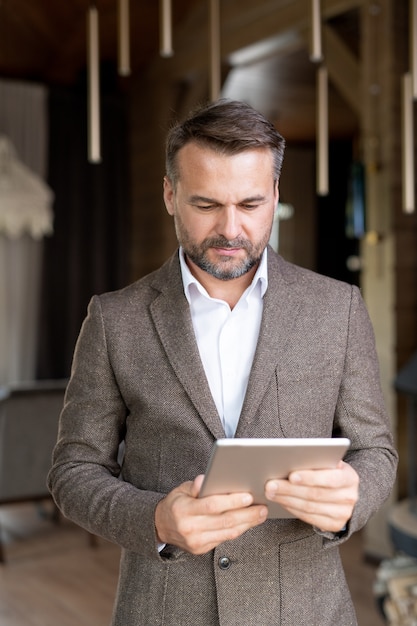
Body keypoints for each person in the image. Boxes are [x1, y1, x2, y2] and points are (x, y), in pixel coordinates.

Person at [48, 98, 398, 626]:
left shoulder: (338, 308)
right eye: (207, 204)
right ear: (170, 194)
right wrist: (156, 520)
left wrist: (354, 498)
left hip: (306, 612)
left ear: (276, 194)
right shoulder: (113, 319)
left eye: (252, 205)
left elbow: (376, 451)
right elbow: (73, 472)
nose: (231, 230)